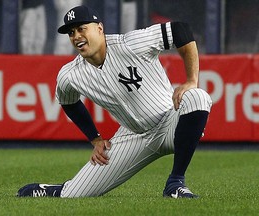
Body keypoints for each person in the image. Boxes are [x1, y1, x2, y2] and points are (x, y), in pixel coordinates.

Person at [17, 5, 212, 199]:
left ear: (99, 28)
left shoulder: (130, 44)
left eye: (81, 28)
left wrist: (191, 80)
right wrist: (95, 138)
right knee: (75, 194)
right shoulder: (70, 75)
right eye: (71, 32)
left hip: (170, 122)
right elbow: (69, 102)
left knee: (198, 97)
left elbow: (180, 30)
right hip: (133, 137)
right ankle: (51, 189)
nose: (76, 36)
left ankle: (175, 182)